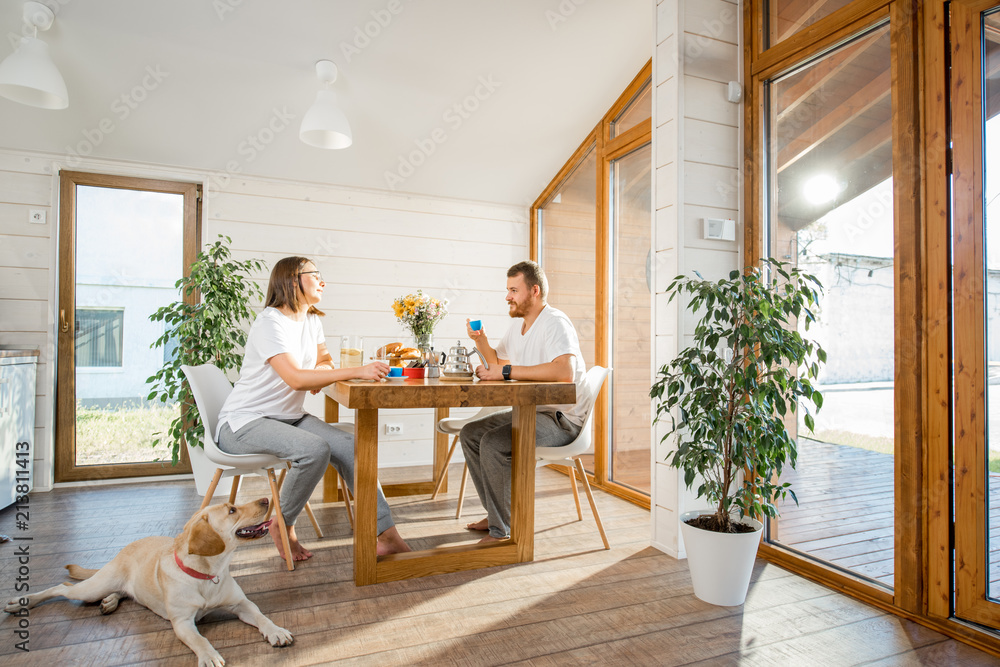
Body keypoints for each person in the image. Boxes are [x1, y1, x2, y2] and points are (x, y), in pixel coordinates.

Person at [216, 256, 410, 561]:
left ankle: (386, 535)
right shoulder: (270, 322)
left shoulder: (311, 320)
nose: (322, 281)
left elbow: (324, 359)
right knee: (315, 449)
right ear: (294, 281)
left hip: (289, 418)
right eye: (315, 275)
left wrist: (322, 371)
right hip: (244, 423)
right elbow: (294, 378)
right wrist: (355, 371)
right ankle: (282, 524)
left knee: (350, 446)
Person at [461, 260, 591, 543]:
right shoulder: (520, 327)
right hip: (533, 412)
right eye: (508, 290)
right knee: (471, 433)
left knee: (494, 443)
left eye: (513, 290)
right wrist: (481, 340)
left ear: (534, 291)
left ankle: (503, 532)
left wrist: (505, 372)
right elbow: (497, 361)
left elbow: (563, 372)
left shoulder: (555, 322)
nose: (508, 297)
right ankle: (497, 514)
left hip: (562, 420)